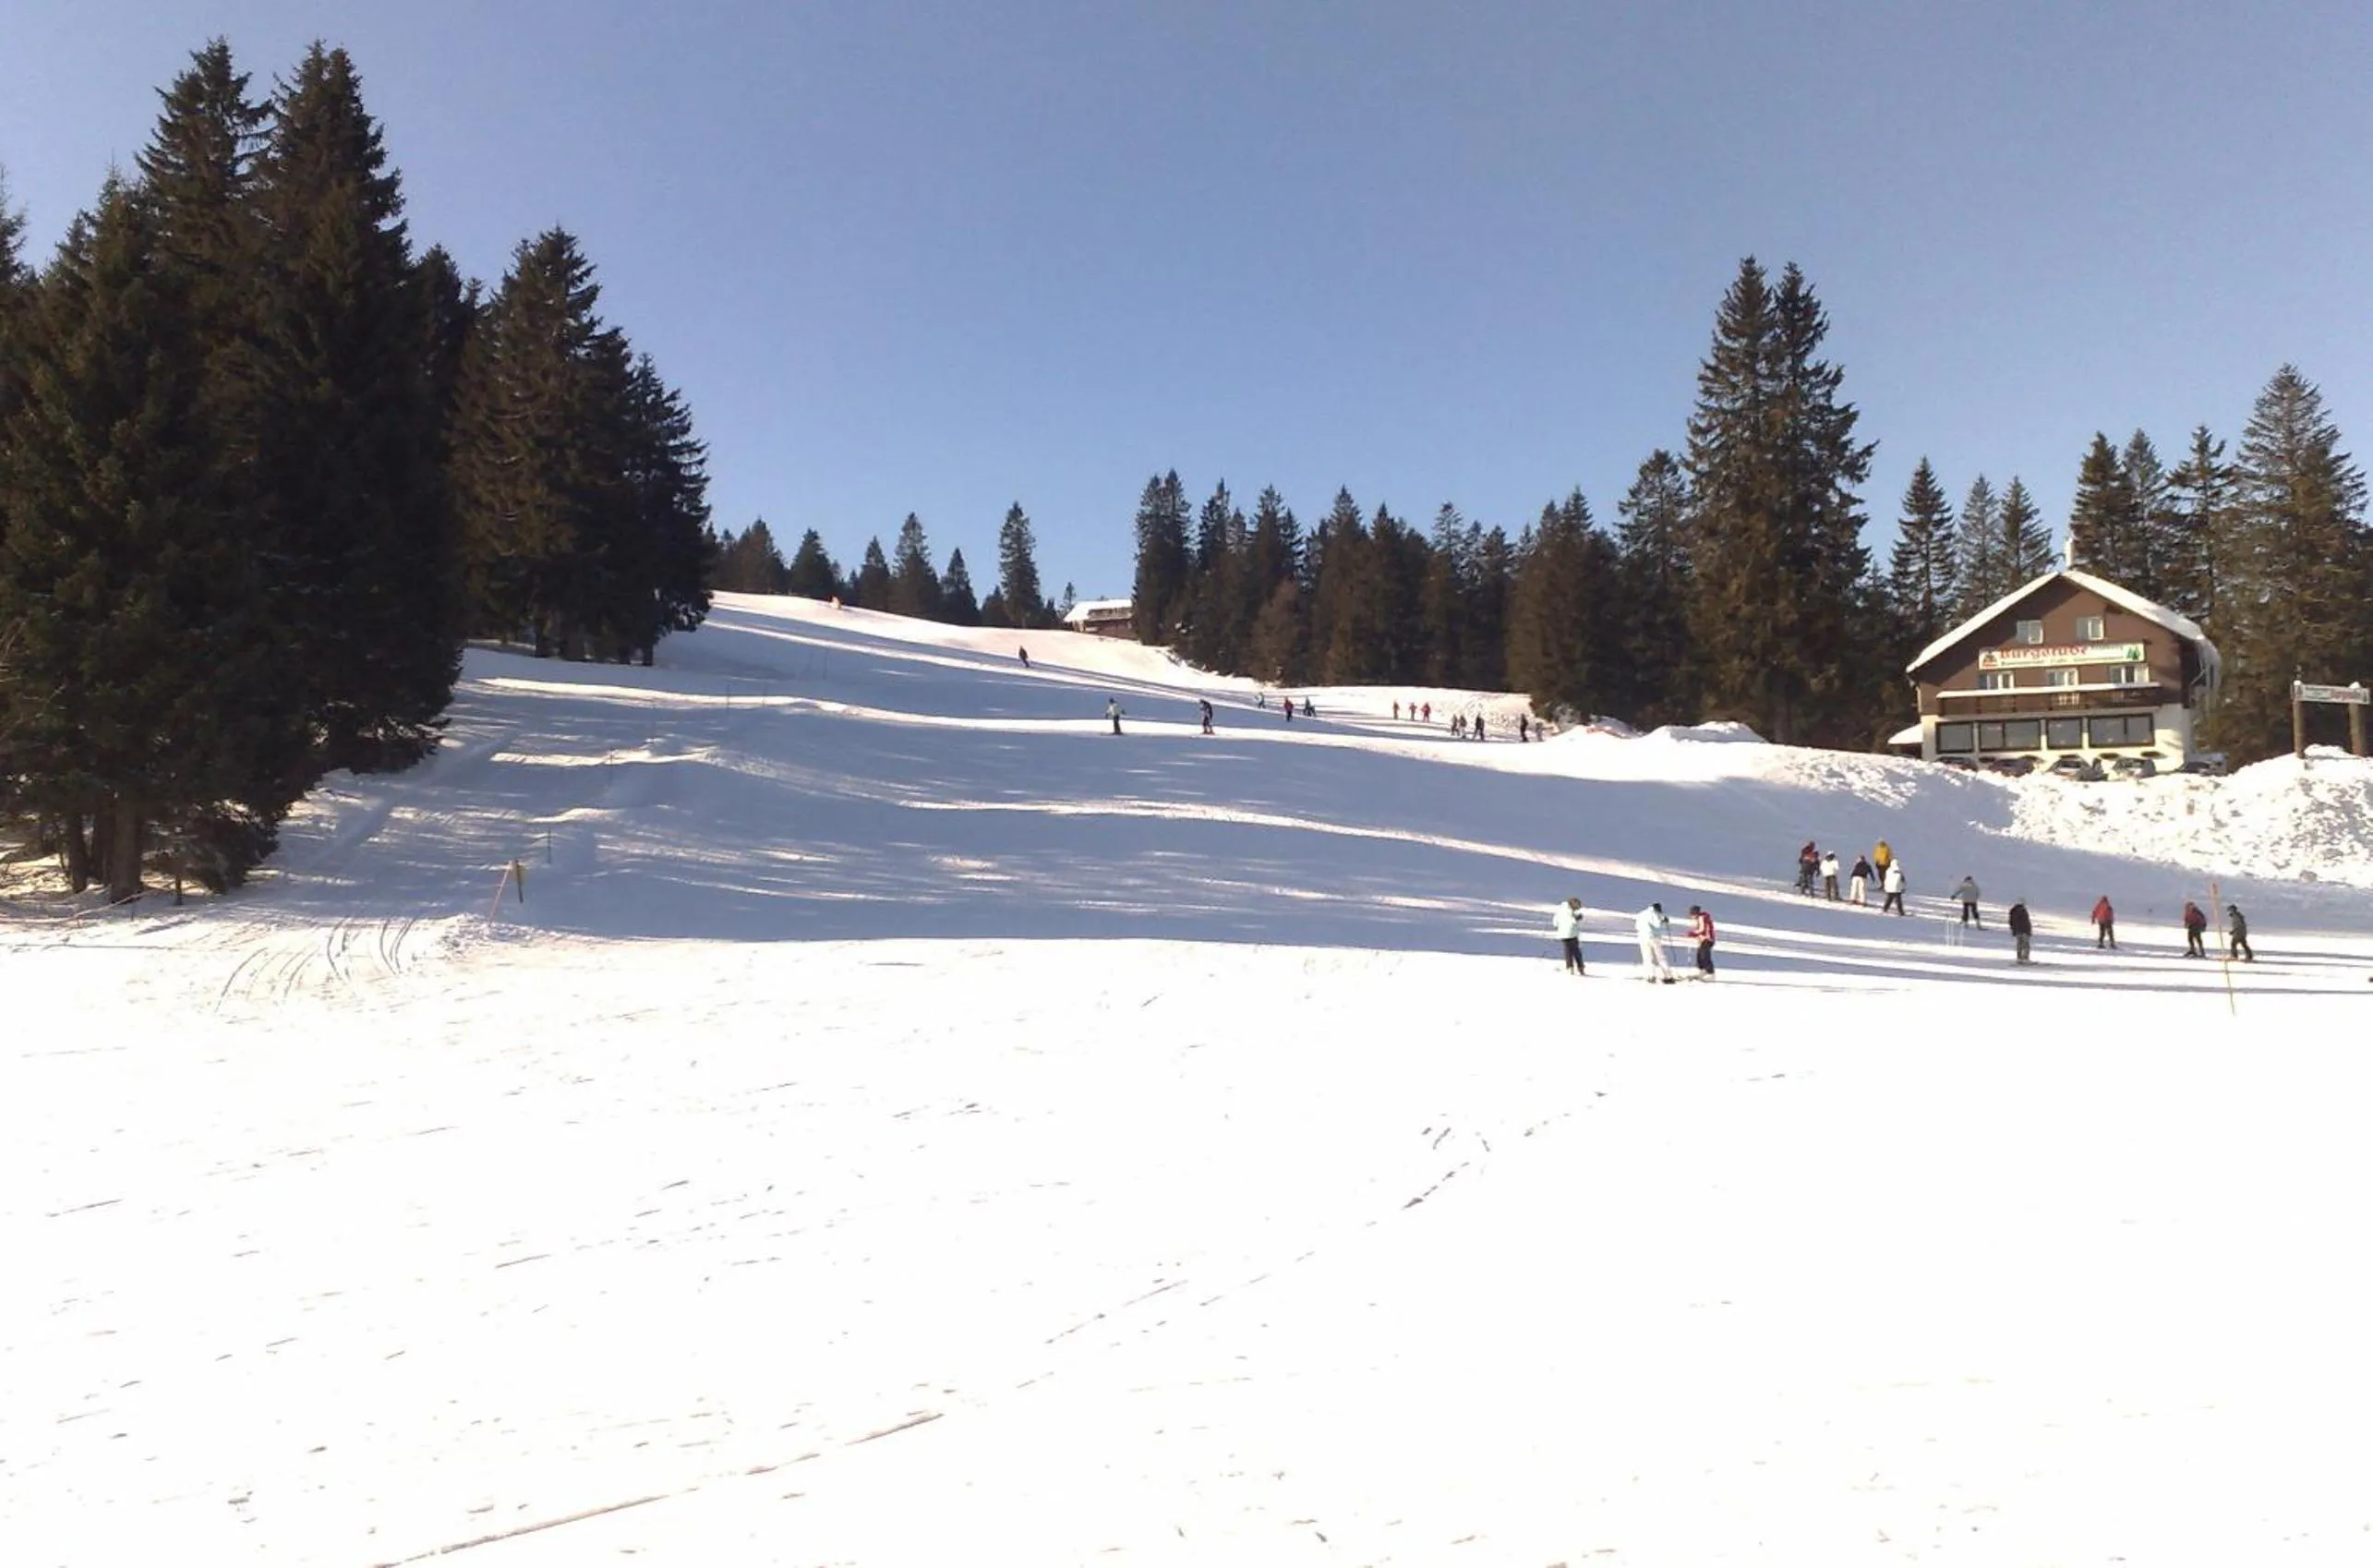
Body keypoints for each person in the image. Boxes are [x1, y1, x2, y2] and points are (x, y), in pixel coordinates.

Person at [1634, 902, 1676, 983]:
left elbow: (1636, 926)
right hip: (1653, 937)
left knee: (1647, 957)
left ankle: (1650, 976)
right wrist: (1663, 920)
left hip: (1642, 937)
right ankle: (1668, 976)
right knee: (1660, 957)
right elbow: (1657, 924)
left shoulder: (1641, 913)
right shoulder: (1654, 913)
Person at [1551, 897, 1584, 975]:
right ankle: (1580, 967)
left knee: (1568, 951)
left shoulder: (1561, 909)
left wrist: (1556, 926)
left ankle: (1570, 967)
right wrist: (1578, 918)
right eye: (1577, 907)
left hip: (1563, 934)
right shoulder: (1569, 911)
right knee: (1576, 951)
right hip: (1572, 934)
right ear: (1574, 905)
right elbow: (1572, 921)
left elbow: (1555, 920)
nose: (1577, 909)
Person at [1685, 904, 1717, 980]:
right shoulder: (1699, 918)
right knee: (1699, 956)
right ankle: (1702, 971)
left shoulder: (1702, 918)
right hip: (1703, 940)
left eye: (1691, 914)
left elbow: (1702, 930)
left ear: (1695, 913)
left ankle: (1711, 974)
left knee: (1705, 956)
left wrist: (1693, 933)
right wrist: (1696, 936)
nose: (1691, 917)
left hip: (1707, 940)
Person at [2007, 898, 2033, 963]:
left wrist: (2013, 930)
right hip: (2023, 930)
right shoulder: (2022, 911)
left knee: (2020, 944)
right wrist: (2028, 930)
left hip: (2018, 931)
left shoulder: (2013, 912)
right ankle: (2025, 958)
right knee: (2025, 945)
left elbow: (2011, 922)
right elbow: (2026, 922)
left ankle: (2020, 958)